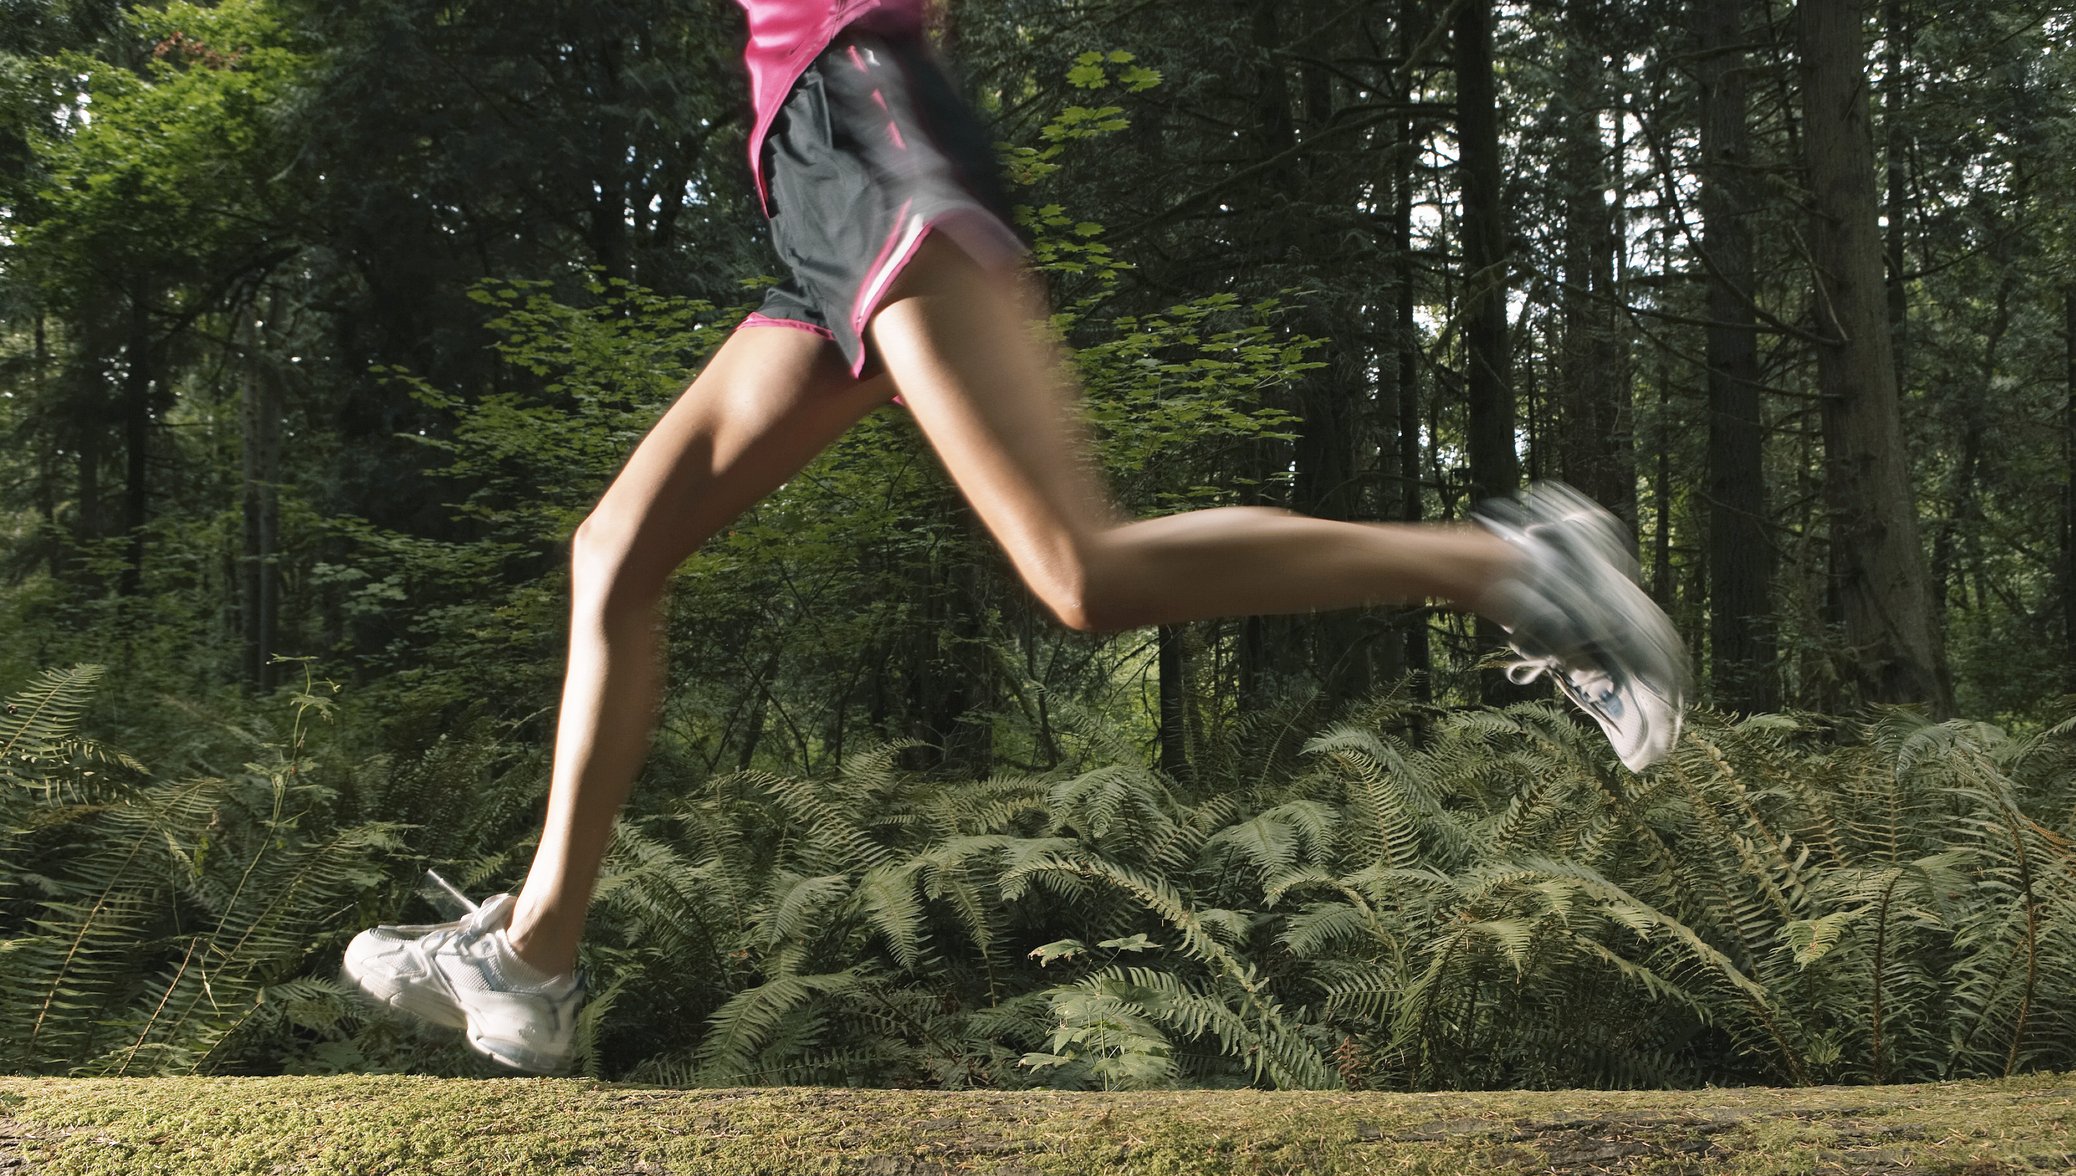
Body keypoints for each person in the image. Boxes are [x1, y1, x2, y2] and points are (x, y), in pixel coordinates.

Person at [343, 0, 1690, 1075]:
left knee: (1075, 570)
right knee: (616, 551)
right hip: (817, 166)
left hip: (864, 121)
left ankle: (1517, 570)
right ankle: (534, 957)